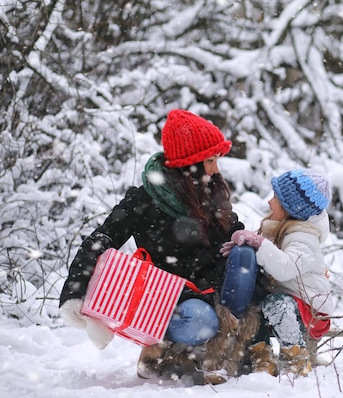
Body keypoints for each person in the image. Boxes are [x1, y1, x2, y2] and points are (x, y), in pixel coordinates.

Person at [59, 109, 261, 385]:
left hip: (212, 289)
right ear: (188, 164)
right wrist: (75, 291)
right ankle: (161, 348)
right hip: (168, 298)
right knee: (200, 321)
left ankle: (220, 356)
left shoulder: (210, 190)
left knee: (245, 255)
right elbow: (102, 238)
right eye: (210, 160)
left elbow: (232, 235)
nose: (215, 169)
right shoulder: (144, 200)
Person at [221, 169, 335, 377]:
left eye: (276, 198)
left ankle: (296, 355)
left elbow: (285, 268)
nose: (269, 202)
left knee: (276, 303)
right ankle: (261, 354)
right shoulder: (281, 228)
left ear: (292, 208)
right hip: (288, 301)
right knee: (255, 301)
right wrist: (244, 251)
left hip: (310, 311)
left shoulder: (304, 238)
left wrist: (259, 243)